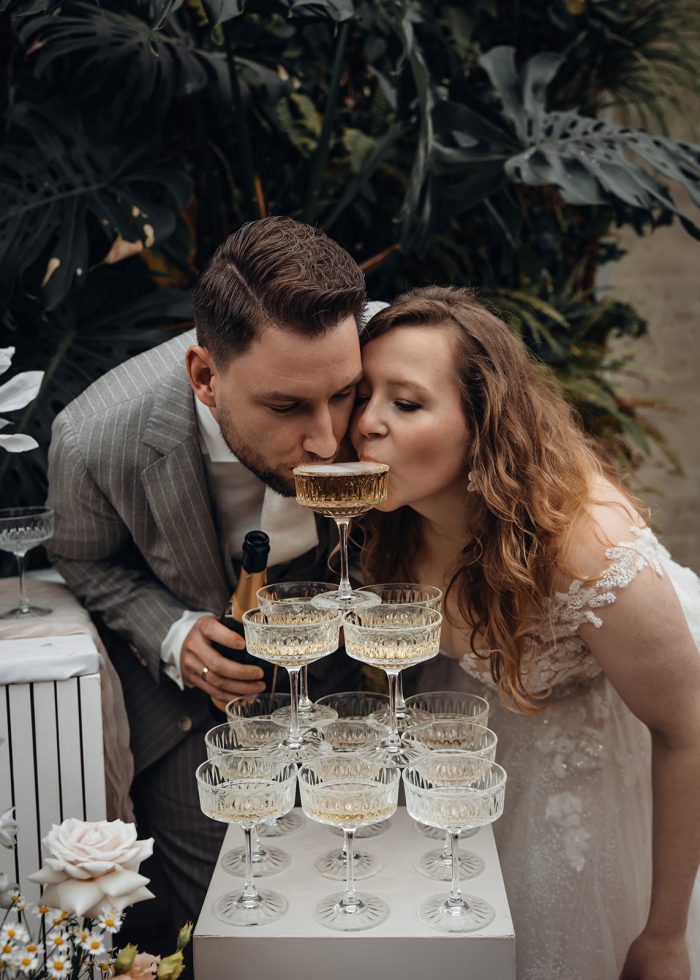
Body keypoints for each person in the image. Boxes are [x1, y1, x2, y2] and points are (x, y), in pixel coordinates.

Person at [351, 284, 700, 980]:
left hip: (622, 759)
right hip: (490, 742)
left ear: (482, 422)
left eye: (406, 402)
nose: (367, 424)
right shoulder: (386, 522)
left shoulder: (585, 545)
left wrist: (664, 933)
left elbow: (686, 730)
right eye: (360, 396)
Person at [46, 216, 370, 940]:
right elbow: (83, 558)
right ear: (204, 376)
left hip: (360, 702)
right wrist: (172, 632)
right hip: (201, 728)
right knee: (236, 937)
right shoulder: (95, 438)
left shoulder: (394, 348)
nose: (326, 440)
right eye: (286, 406)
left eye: (345, 395)